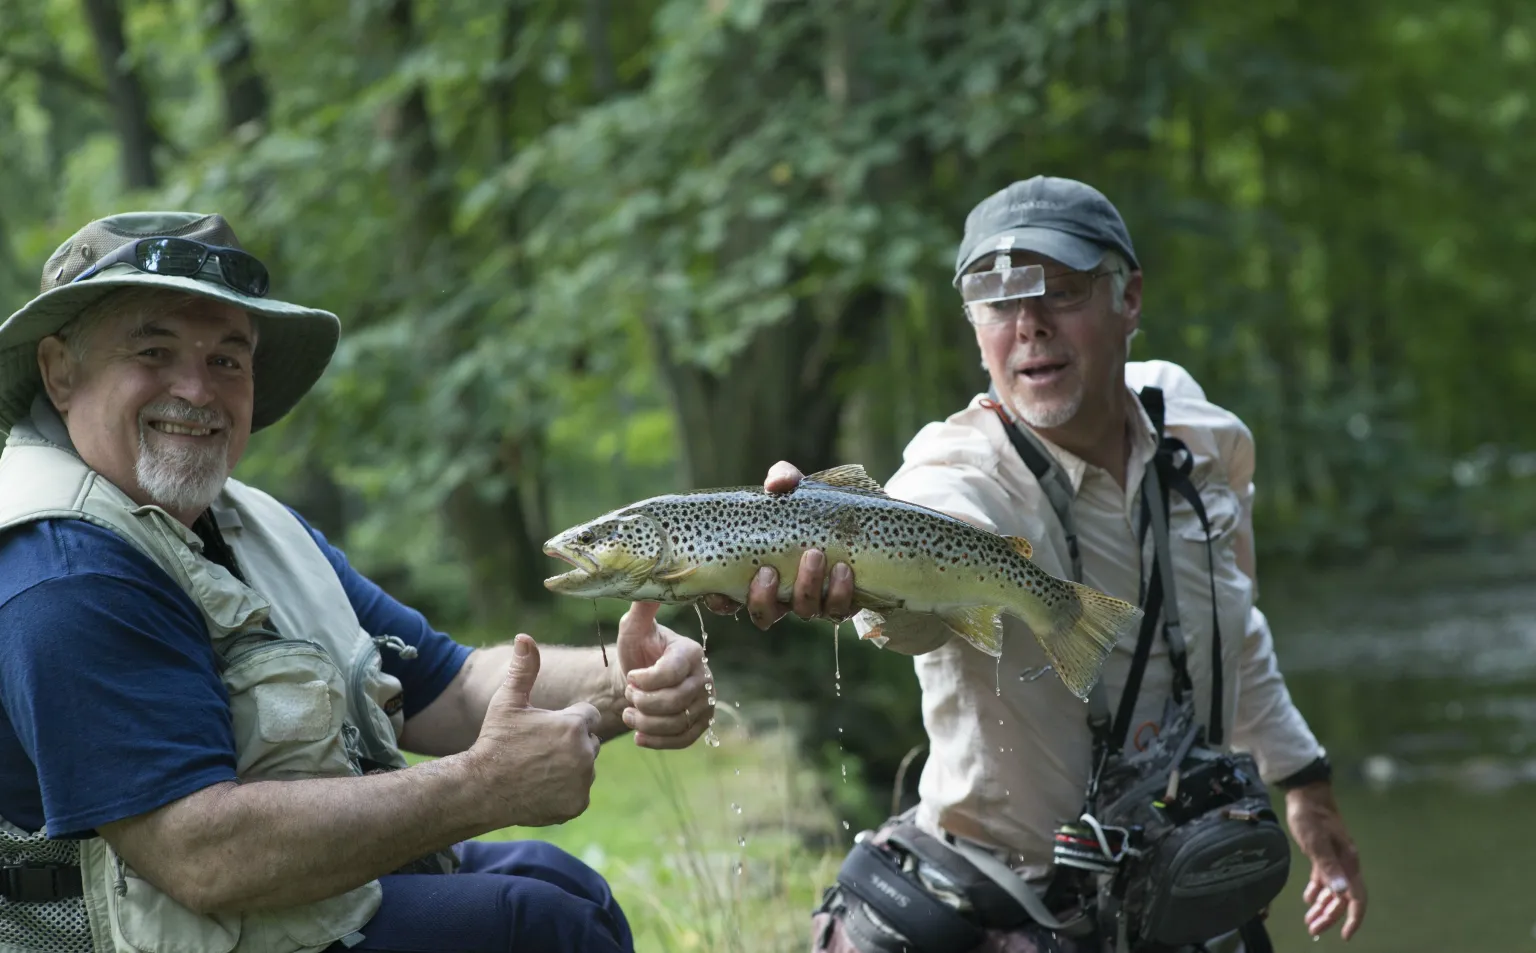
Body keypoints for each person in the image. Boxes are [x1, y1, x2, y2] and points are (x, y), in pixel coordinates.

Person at [0, 211, 722, 953]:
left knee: (567, 887)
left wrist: (629, 682)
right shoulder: (61, 569)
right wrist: (481, 787)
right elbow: (201, 854)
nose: (197, 389)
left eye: (227, 359)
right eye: (154, 351)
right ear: (61, 372)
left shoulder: (245, 523)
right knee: (542, 929)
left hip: (274, 915)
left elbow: (451, 686)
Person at [726, 177, 1368, 952]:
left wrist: (1303, 782)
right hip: (1002, 900)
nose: (1028, 326)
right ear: (975, 327)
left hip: (1173, 886)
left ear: (1128, 298)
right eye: (996, 301)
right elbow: (920, 574)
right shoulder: (950, 469)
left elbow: (1233, 619)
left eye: (1060, 291)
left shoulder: (1197, 433)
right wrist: (850, 562)